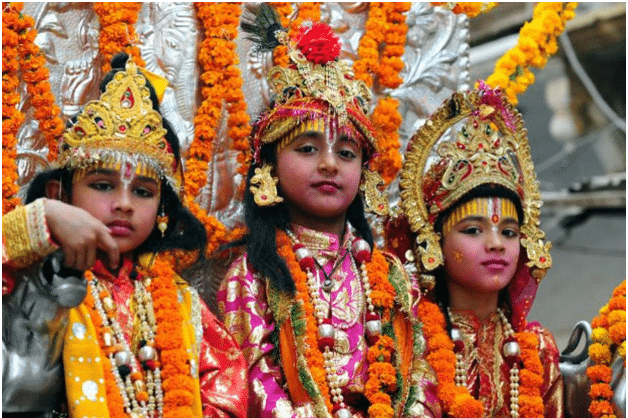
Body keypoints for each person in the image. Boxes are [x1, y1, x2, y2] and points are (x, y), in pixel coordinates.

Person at [216, 5, 440, 418]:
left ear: (364, 172)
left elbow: (420, 375)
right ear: (269, 167)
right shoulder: (252, 277)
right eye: (307, 148)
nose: (330, 165)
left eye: (346, 152)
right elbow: (251, 382)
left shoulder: (390, 276)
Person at [2, 54, 248, 417]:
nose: (123, 204)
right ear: (60, 193)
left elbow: (226, 394)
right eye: (103, 185)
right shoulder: (37, 278)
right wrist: (43, 218)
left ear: (162, 210)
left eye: (143, 192)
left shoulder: (182, 303)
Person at [386, 81, 564, 417]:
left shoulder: (537, 348)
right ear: (433, 240)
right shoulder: (410, 342)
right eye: (472, 230)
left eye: (509, 231)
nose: (496, 244)